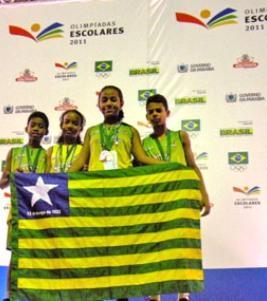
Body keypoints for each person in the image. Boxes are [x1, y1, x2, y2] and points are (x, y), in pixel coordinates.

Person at [68, 85, 163, 301]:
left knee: (123, 250)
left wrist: (169, 165)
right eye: (104, 100)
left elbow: (142, 158)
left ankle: (122, 296)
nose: (109, 103)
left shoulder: (131, 131)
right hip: (94, 199)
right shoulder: (91, 131)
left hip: (122, 200)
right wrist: (52, 179)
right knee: (95, 249)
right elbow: (79, 163)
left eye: (113, 99)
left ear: (121, 103)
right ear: (99, 104)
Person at [143, 94, 211, 301]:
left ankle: (184, 294)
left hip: (180, 199)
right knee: (155, 246)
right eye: (151, 112)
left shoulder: (181, 136)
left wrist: (204, 194)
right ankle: (154, 295)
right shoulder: (144, 143)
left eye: (158, 111)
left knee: (182, 246)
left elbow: (192, 166)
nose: (155, 115)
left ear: (167, 113)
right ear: (147, 116)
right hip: (156, 201)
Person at [0, 111, 50, 301]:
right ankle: (10, 295)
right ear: (26, 128)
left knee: (36, 255)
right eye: (33, 125)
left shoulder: (48, 155)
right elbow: (1, 183)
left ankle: (35, 295)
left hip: (38, 213)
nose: (36, 129)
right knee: (16, 255)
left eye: (41, 126)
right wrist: (14, 175)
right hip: (18, 211)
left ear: (46, 131)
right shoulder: (14, 152)